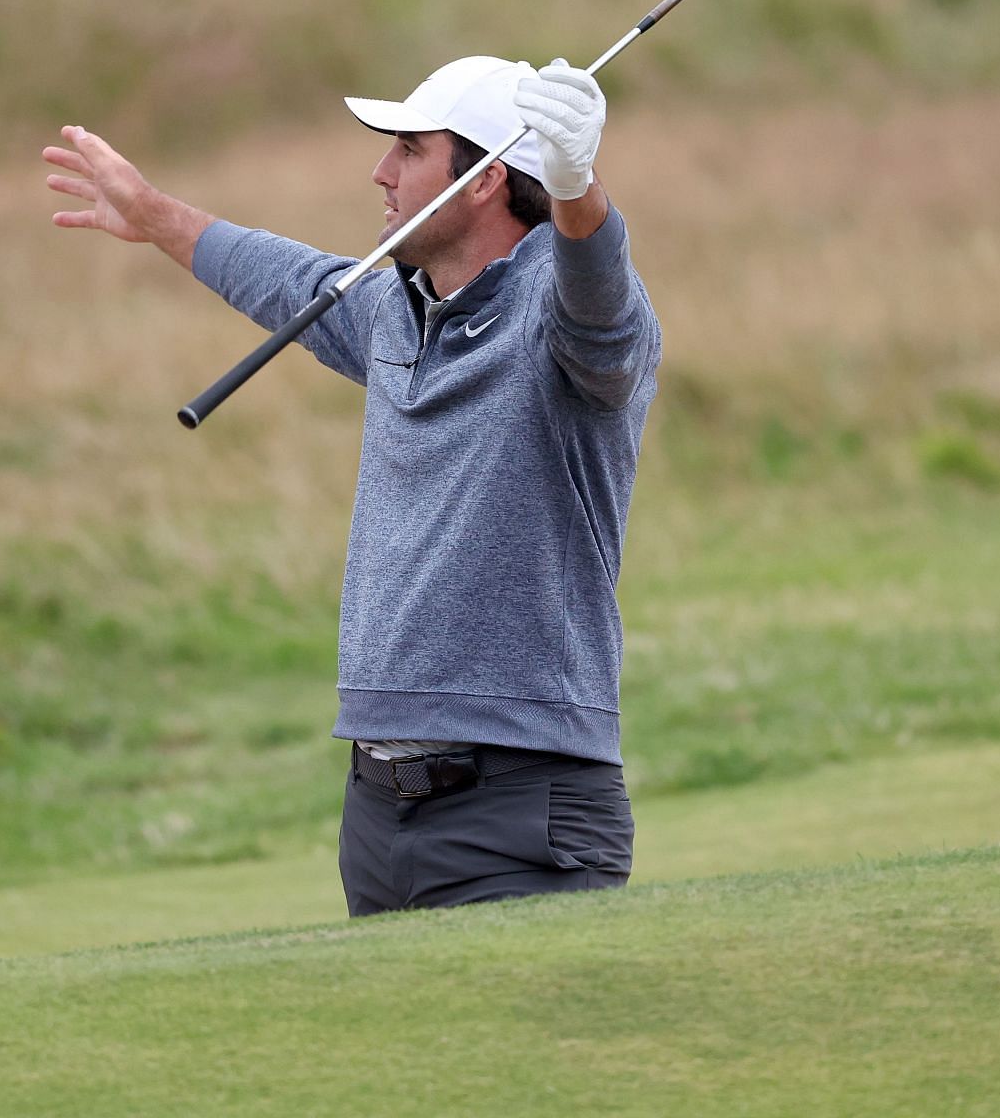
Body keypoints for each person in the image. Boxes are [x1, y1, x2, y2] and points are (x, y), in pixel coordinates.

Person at [43, 54, 658, 916]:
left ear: (481, 181)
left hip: (524, 804)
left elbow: (605, 316)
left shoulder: (561, 321)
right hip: (378, 813)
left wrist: (578, 192)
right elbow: (289, 279)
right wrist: (153, 216)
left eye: (409, 149)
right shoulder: (394, 310)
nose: (381, 172)